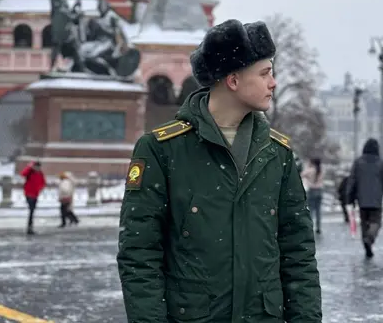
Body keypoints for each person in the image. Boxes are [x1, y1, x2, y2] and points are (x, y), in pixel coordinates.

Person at [117, 19, 321, 323]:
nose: (273, 83)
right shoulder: (162, 150)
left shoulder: (277, 154)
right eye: (264, 73)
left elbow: (298, 254)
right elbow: (139, 254)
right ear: (233, 81)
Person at [347, 138, 383, 259]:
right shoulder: (381, 163)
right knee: (376, 222)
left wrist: (350, 197)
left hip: (362, 199)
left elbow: (352, 181)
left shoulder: (358, 163)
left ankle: (366, 244)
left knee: (364, 222)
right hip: (376, 199)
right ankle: (370, 238)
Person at [21, 161, 46, 236]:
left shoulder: (40, 173)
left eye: (39, 167)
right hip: (29, 194)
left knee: (32, 211)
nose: (37, 168)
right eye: (36, 167)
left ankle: (30, 228)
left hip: (35, 194)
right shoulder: (30, 172)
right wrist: (29, 167)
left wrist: (40, 188)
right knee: (31, 210)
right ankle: (29, 228)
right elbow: (23, 174)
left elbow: (43, 182)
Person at [301, 158, 324, 235]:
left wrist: (308, 166)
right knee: (318, 211)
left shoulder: (310, 170)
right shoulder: (321, 170)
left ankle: (310, 227)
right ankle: (318, 228)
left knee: (311, 210)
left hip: (311, 191)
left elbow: (302, 174)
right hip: (319, 191)